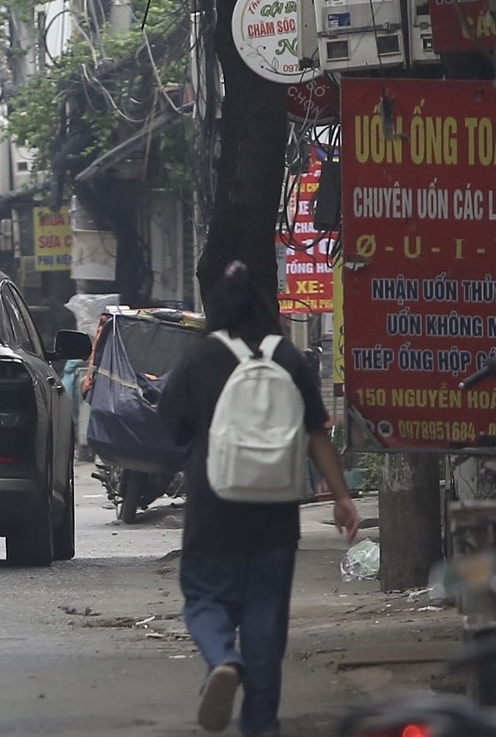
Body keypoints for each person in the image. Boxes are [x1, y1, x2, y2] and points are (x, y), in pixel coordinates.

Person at [159, 263, 358, 737]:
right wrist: (342, 497)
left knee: (205, 599)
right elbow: (315, 433)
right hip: (275, 514)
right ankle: (261, 726)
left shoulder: (199, 357)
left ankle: (224, 659)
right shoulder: (286, 357)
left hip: (214, 508)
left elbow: (173, 428)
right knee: (266, 619)